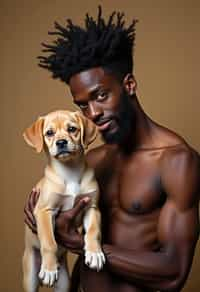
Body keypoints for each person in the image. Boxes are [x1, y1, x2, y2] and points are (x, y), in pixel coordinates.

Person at [24, 6, 200, 292]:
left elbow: (173, 272)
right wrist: (46, 218)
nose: (92, 113)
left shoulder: (176, 161)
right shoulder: (92, 160)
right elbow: (72, 235)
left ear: (129, 84)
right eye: (82, 105)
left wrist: (79, 243)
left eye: (101, 96)